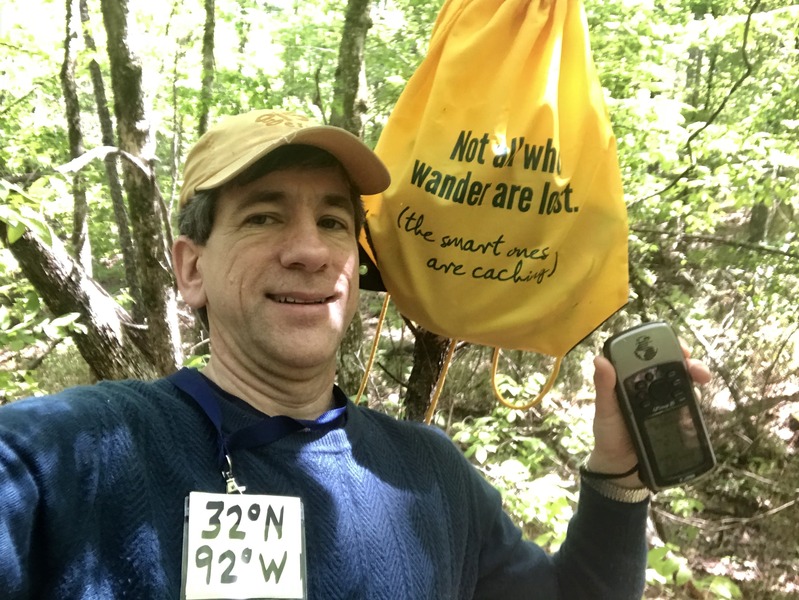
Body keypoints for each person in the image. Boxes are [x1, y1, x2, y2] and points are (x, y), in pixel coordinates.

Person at [0, 109, 712, 599]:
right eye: (263, 215)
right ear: (191, 270)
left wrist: (618, 476)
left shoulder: (431, 477)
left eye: (333, 221)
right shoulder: (73, 454)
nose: (310, 250)